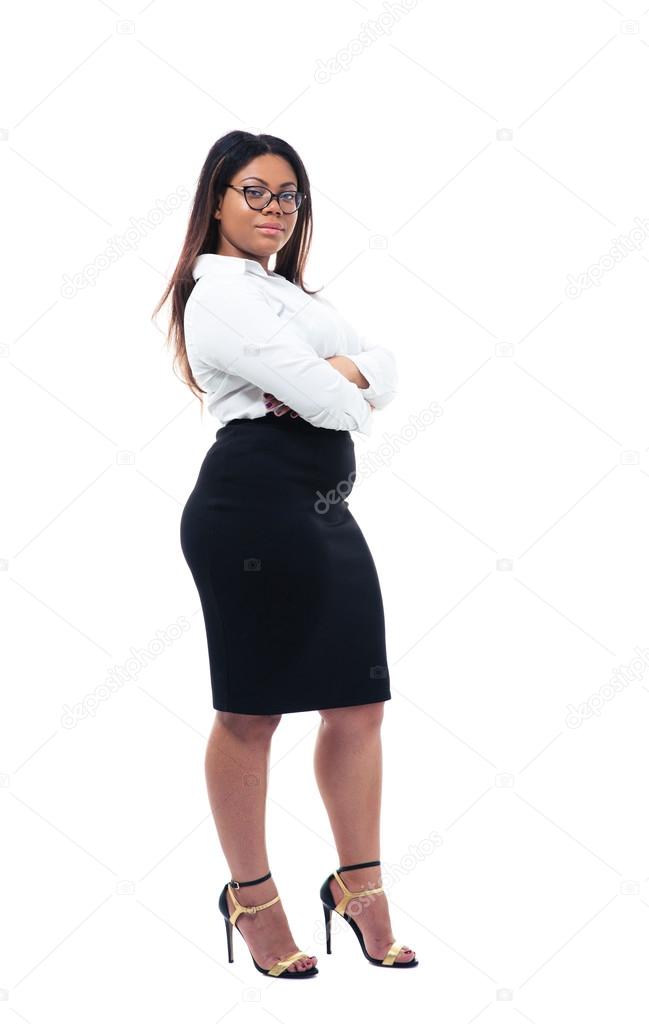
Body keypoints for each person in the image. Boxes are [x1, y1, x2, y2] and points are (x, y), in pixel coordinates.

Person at [152, 130, 417, 977]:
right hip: (248, 514)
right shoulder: (217, 295)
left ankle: (360, 887)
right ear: (217, 201)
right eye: (254, 192)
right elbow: (336, 399)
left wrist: (341, 374)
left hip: (324, 514)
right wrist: (342, 379)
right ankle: (253, 897)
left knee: (358, 705)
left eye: (287, 196)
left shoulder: (295, 299)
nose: (272, 209)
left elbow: (387, 367)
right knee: (251, 712)